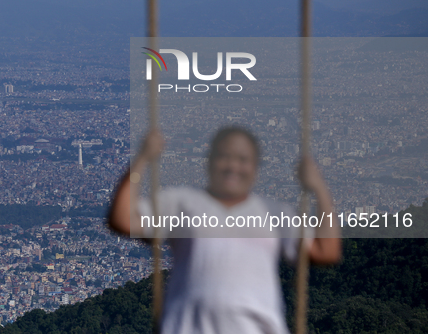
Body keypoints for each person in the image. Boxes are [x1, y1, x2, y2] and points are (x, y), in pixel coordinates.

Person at [108, 126, 341, 334]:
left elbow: (325, 250)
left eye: (242, 159)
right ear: (208, 162)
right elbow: (122, 219)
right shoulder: (181, 203)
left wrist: (318, 187)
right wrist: (142, 159)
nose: (233, 166)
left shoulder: (274, 212)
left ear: (256, 167)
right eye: (224, 157)